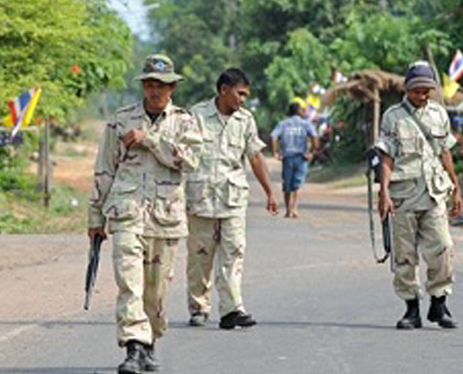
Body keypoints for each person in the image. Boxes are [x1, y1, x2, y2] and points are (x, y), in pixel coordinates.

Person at [87, 54, 201, 374]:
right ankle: (134, 347)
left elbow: (190, 162)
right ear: (143, 85)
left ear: (173, 88)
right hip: (127, 213)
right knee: (130, 284)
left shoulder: (185, 122)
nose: (155, 91)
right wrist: (95, 217)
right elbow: (104, 169)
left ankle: (149, 340)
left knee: (156, 290)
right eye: (150, 84)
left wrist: (150, 139)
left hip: (166, 216)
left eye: (162, 85)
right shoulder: (121, 120)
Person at [185, 68, 279, 329]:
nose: (242, 100)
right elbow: (181, 153)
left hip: (233, 198)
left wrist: (270, 192)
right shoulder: (197, 115)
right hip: (200, 197)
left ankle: (231, 309)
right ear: (224, 90)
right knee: (200, 256)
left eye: (246, 95)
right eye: (240, 93)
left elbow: (255, 156)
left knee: (234, 253)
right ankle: (198, 307)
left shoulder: (245, 120)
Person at [375, 61, 462, 330]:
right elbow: (386, 156)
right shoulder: (393, 116)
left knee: (443, 247)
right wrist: (384, 192)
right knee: (405, 255)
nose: (422, 96)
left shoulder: (439, 114)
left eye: (427, 91)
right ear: (407, 89)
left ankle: (439, 303)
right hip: (403, 194)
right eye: (417, 91)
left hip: (435, 192)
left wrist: (456, 186)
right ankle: (411, 309)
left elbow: (445, 151)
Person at [271, 102, 319, 218]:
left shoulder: (283, 124)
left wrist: (275, 152)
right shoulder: (306, 124)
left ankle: (288, 210)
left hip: (287, 158)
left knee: (287, 185)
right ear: (300, 112)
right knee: (297, 184)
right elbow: (314, 137)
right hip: (301, 157)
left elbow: (273, 137)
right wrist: (311, 152)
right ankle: (295, 209)